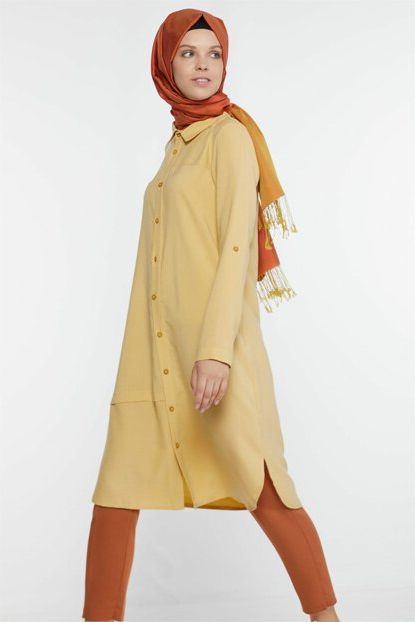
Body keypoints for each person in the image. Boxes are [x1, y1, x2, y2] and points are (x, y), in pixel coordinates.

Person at [81, 9, 340, 622]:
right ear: (165, 64)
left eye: (214, 53)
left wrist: (216, 352)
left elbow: (235, 249)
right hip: (152, 354)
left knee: (264, 484)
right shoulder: (177, 145)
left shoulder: (229, 137)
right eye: (188, 53)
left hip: (212, 351)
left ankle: (327, 617)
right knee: (116, 490)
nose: (203, 65)